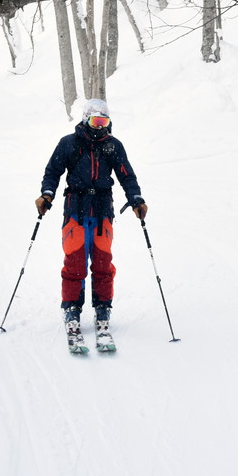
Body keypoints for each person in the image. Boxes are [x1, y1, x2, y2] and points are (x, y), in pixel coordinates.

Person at [35, 98, 147, 347]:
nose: (100, 127)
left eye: (104, 121)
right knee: (74, 262)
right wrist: (47, 194)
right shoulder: (69, 144)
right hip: (75, 209)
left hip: (102, 212)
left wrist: (136, 198)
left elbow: (126, 175)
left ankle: (103, 311)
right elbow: (52, 172)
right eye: (96, 121)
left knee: (103, 263)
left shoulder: (113, 146)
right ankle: (72, 311)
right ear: (86, 119)